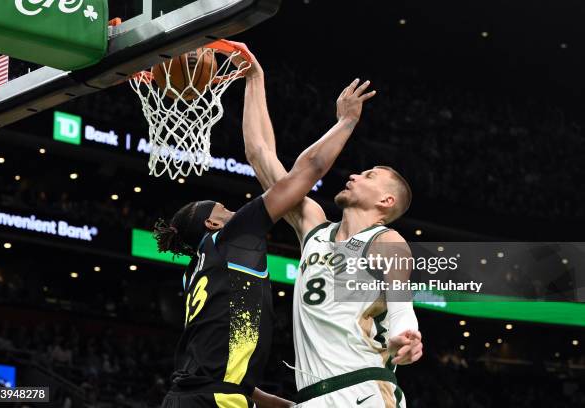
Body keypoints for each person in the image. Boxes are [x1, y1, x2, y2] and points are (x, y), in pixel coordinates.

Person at [152, 43, 376, 408]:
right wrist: (345, 121)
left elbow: (231, 373)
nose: (236, 209)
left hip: (212, 396)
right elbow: (300, 169)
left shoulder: (211, 267)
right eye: (225, 207)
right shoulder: (240, 236)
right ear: (212, 223)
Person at [241, 45, 423, 407]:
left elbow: (402, 304)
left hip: (365, 392)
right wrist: (253, 78)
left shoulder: (388, 241)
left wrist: (407, 335)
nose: (355, 175)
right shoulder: (314, 226)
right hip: (314, 397)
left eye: (369, 175)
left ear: (386, 202)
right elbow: (260, 154)